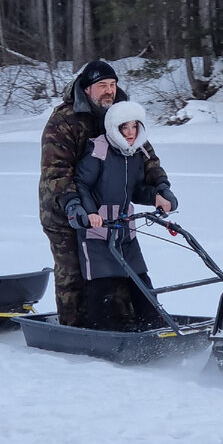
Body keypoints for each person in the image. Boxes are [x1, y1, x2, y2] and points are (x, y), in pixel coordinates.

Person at [38, 60, 174, 326]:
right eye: (102, 86)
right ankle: (75, 332)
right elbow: (56, 170)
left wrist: (161, 189)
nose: (109, 91)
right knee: (75, 275)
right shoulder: (65, 120)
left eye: (112, 85)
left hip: (110, 211)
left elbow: (145, 157)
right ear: (87, 89)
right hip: (63, 209)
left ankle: (124, 326)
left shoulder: (121, 114)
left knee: (120, 275)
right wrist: (73, 204)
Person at [69, 100, 178, 330]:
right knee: (103, 286)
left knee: (141, 281)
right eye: (124, 127)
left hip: (126, 229)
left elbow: (136, 190)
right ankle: (102, 333)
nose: (130, 133)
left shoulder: (137, 152)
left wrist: (156, 197)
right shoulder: (99, 149)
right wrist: (90, 212)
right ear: (113, 128)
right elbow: (82, 184)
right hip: (97, 229)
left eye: (134, 126)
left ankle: (153, 326)